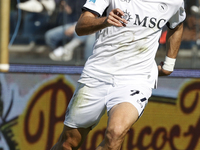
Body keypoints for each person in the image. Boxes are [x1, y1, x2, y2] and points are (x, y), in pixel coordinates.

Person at [51, 0, 186, 149]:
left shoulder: (174, 1)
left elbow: (177, 25)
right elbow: (81, 27)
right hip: (97, 75)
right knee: (68, 143)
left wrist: (169, 64)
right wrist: (105, 21)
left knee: (115, 134)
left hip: (137, 78)